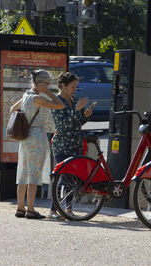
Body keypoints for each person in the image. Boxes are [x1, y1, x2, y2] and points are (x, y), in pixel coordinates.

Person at [10, 69, 65, 219]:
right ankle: (31, 209)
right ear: (39, 83)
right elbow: (60, 105)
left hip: (25, 138)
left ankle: (20, 207)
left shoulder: (26, 95)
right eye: (47, 84)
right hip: (36, 136)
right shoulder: (37, 99)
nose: (49, 86)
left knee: (23, 172)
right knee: (34, 174)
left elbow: (12, 109)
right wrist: (49, 93)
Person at [48, 72, 93, 219]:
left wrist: (84, 116)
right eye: (73, 86)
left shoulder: (73, 100)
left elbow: (77, 122)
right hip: (62, 145)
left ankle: (67, 210)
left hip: (75, 144)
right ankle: (53, 211)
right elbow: (62, 124)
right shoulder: (56, 101)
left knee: (71, 178)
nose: (75, 89)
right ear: (63, 86)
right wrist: (76, 109)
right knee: (64, 176)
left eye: (76, 86)